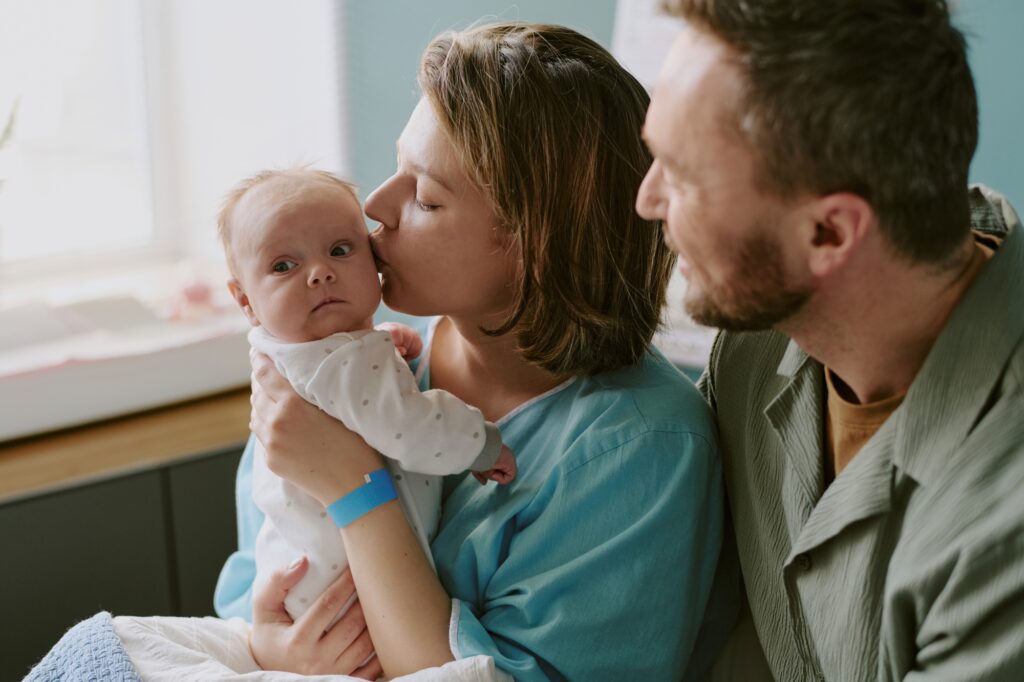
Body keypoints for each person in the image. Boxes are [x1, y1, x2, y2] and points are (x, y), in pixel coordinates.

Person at [214, 22, 730, 681]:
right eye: (397, 169)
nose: (376, 205)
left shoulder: (639, 449)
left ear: (536, 244)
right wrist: (270, 647)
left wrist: (355, 488)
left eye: (425, 196)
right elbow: (249, 585)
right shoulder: (351, 362)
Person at [636, 1, 1024, 680]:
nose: (647, 200)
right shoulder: (757, 342)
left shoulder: (1004, 523)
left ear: (830, 234)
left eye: (684, 174)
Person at [215, 168, 516, 629]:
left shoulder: (293, 359)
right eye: (283, 266)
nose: (320, 273)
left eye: (339, 250)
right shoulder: (340, 364)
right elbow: (410, 428)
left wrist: (377, 345)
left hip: (304, 591)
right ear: (246, 302)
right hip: (347, 604)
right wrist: (481, 444)